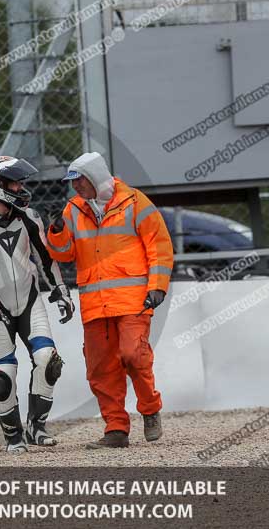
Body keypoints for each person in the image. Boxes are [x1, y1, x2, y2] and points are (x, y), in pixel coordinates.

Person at [45, 152, 173, 448]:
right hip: (95, 305)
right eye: (73, 183)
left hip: (134, 300)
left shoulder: (135, 201)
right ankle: (116, 429)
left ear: (95, 177)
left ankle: (150, 408)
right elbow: (64, 254)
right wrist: (56, 231)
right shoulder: (73, 210)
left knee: (133, 356)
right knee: (101, 369)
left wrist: (158, 286)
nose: (75, 187)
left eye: (79, 181)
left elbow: (160, 246)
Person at [0, 156, 75, 454]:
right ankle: (13, 436)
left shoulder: (29, 217)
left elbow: (45, 258)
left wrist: (61, 291)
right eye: (14, 182)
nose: (21, 187)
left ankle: (37, 426)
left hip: (31, 300)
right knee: (4, 375)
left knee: (49, 359)